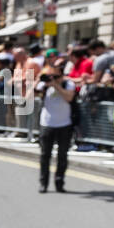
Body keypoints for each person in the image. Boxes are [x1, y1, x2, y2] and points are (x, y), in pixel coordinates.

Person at [34, 63, 76, 192]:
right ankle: (43, 183)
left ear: (62, 75)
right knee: (45, 155)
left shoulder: (68, 84)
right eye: (50, 76)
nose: (52, 78)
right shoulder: (44, 86)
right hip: (47, 124)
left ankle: (59, 182)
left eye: (56, 76)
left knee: (62, 155)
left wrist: (56, 85)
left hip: (64, 124)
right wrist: (37, 81)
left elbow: (69, 97)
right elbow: (28, 96)